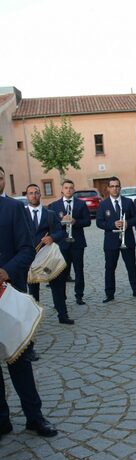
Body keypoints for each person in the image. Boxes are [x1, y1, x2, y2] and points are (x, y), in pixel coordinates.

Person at [0, 167, 58, 438]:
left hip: (10, 292)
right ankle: (2, 419)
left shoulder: (14, 209)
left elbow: (27, 251)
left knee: (19, 360)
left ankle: (34, 417)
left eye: (1, 175)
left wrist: (7, 271)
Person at [25, 184, 73, 325]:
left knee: (57, 285)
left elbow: (61, 232)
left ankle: (62, 315)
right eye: (30, 193)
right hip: (29, 257)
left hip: (49, 256)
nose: (34, 195)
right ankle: (34, 318)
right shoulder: (21, 214)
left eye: (36, 192)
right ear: (27, 196)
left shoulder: (50, 214)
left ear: (40, 195)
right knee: (32, 288)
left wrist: (52, 238)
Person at [96, 177, 136, 303]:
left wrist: (127, 223)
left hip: (127, 240)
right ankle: (109, 294)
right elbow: (99, 223)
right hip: (111, 241)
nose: (115, 188)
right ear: (108, 188)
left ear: (120, 187)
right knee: (110, 268)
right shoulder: (103, 204)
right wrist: (113, 224)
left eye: (117, 186)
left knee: (131, 266)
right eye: (112, 186)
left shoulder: (128, 202)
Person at [49, 179, 91, 305]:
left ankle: (79, 296)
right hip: (61, 243)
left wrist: (75, 222)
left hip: (77, 242)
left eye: (71, 188)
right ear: (62, 190)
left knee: (79, 270)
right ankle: (62, 297)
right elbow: (51, 226)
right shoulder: (53, 206)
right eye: (66, 187)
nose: (68, 190)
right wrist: (62, 222)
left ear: (74, 190)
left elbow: (88, 221)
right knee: (61, 272)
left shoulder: (81, 204)